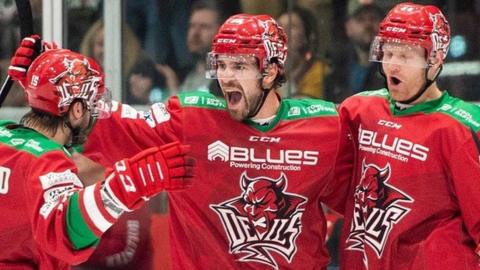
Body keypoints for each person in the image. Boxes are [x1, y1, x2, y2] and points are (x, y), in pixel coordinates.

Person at [77, 14, 346, 269]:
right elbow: (107, 121)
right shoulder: (189, 121)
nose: (226, 76)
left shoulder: (325, 125)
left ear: (271, 73)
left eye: (239, 66)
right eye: (222, 64)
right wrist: (55, 82)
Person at [0, 37, 195, 269]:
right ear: (77, 110)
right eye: (93, 106)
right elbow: (65, 234)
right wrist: (124, 187)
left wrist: (42, 75)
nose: (97, 116)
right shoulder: (48, 162)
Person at [336, 3, 480, 269]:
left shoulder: (460, 126)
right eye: (388, 53)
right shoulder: (357, 111)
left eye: (406, 56)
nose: (393, 65)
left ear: (434, 60)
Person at [325, 4, 385, 103]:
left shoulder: (390, 68)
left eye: (373, 19)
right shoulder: (335, 67)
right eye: (360, 20)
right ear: (348, 28)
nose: (368, 25)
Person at [277, 5, 330, 99]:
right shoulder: (270, 71)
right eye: (279, 26)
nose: (283, 31)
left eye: (292, 26)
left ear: (307, 36)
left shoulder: (319, 70)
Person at [179, 1, 222, 93]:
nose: (195, 33)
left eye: (204, 27)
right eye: (192, 26)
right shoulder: (190, 74)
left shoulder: (224, 78)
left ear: (220, 32)